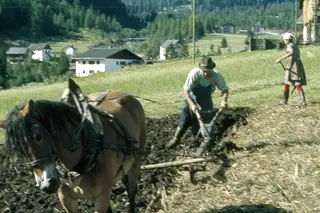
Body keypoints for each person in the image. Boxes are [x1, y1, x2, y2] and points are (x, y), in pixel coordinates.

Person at [166, 56, 229, 156]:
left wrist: (223, 101)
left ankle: (204, 147)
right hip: (191, 100)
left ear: (211, 69)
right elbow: (186, 90)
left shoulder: (216, 75)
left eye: (207, 71)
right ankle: (176, 139)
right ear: (201, 68)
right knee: (184, 121)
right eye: (204, 70)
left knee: (206, 127)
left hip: (206, 102)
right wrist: (191, 104)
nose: (205, 73)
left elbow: (224, 89)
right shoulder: (194, 73)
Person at [275, 32, 307, 107]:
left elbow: (291, 52)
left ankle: (302, 101)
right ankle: (285, 100)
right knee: (287, 82)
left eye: (285, 40)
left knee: (296, 83)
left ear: (287, 40)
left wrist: (280, 58)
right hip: (295, 66)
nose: (284, 41)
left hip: (293, 67)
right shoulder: (295, 45)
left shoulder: (290, 45)